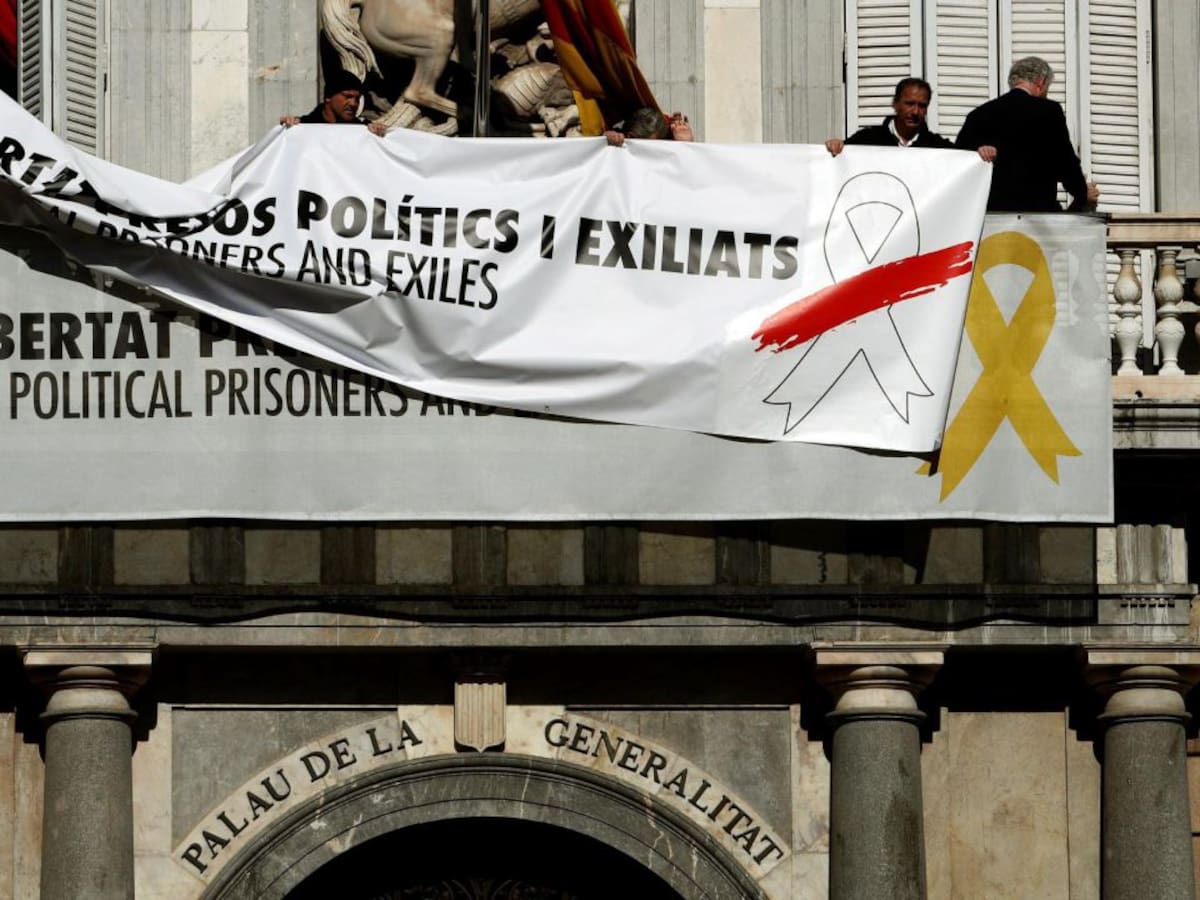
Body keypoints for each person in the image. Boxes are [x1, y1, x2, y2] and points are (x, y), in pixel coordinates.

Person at [955, 56, 1099, 212]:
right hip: (1037, 214)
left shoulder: (978, 114)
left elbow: (960, 163)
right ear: (1041, 82)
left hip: (992, 214)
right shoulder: (1049, 111)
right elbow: (1065, 162)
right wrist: (1082, 192)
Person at [826, 78, 996, 161]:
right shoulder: (867, 139)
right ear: (895, 104)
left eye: (922, 105)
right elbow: (840, 161)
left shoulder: (938, 146)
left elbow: (965, 162)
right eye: (909, 104)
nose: (915, 111)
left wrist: (982, 154)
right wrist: (835, 147)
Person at [279, 70, 387, 136]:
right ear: (328, 97)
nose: (354, 104)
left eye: (357, 99)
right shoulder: (304, 126)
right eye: (347, 96)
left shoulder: (363, 129)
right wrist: (287, 128)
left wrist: (377, 134)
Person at [605, 108, 693, 146]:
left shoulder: (670, 134)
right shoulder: (619, 137)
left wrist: (686, 145)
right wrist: (603, 141)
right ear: (631, 136)